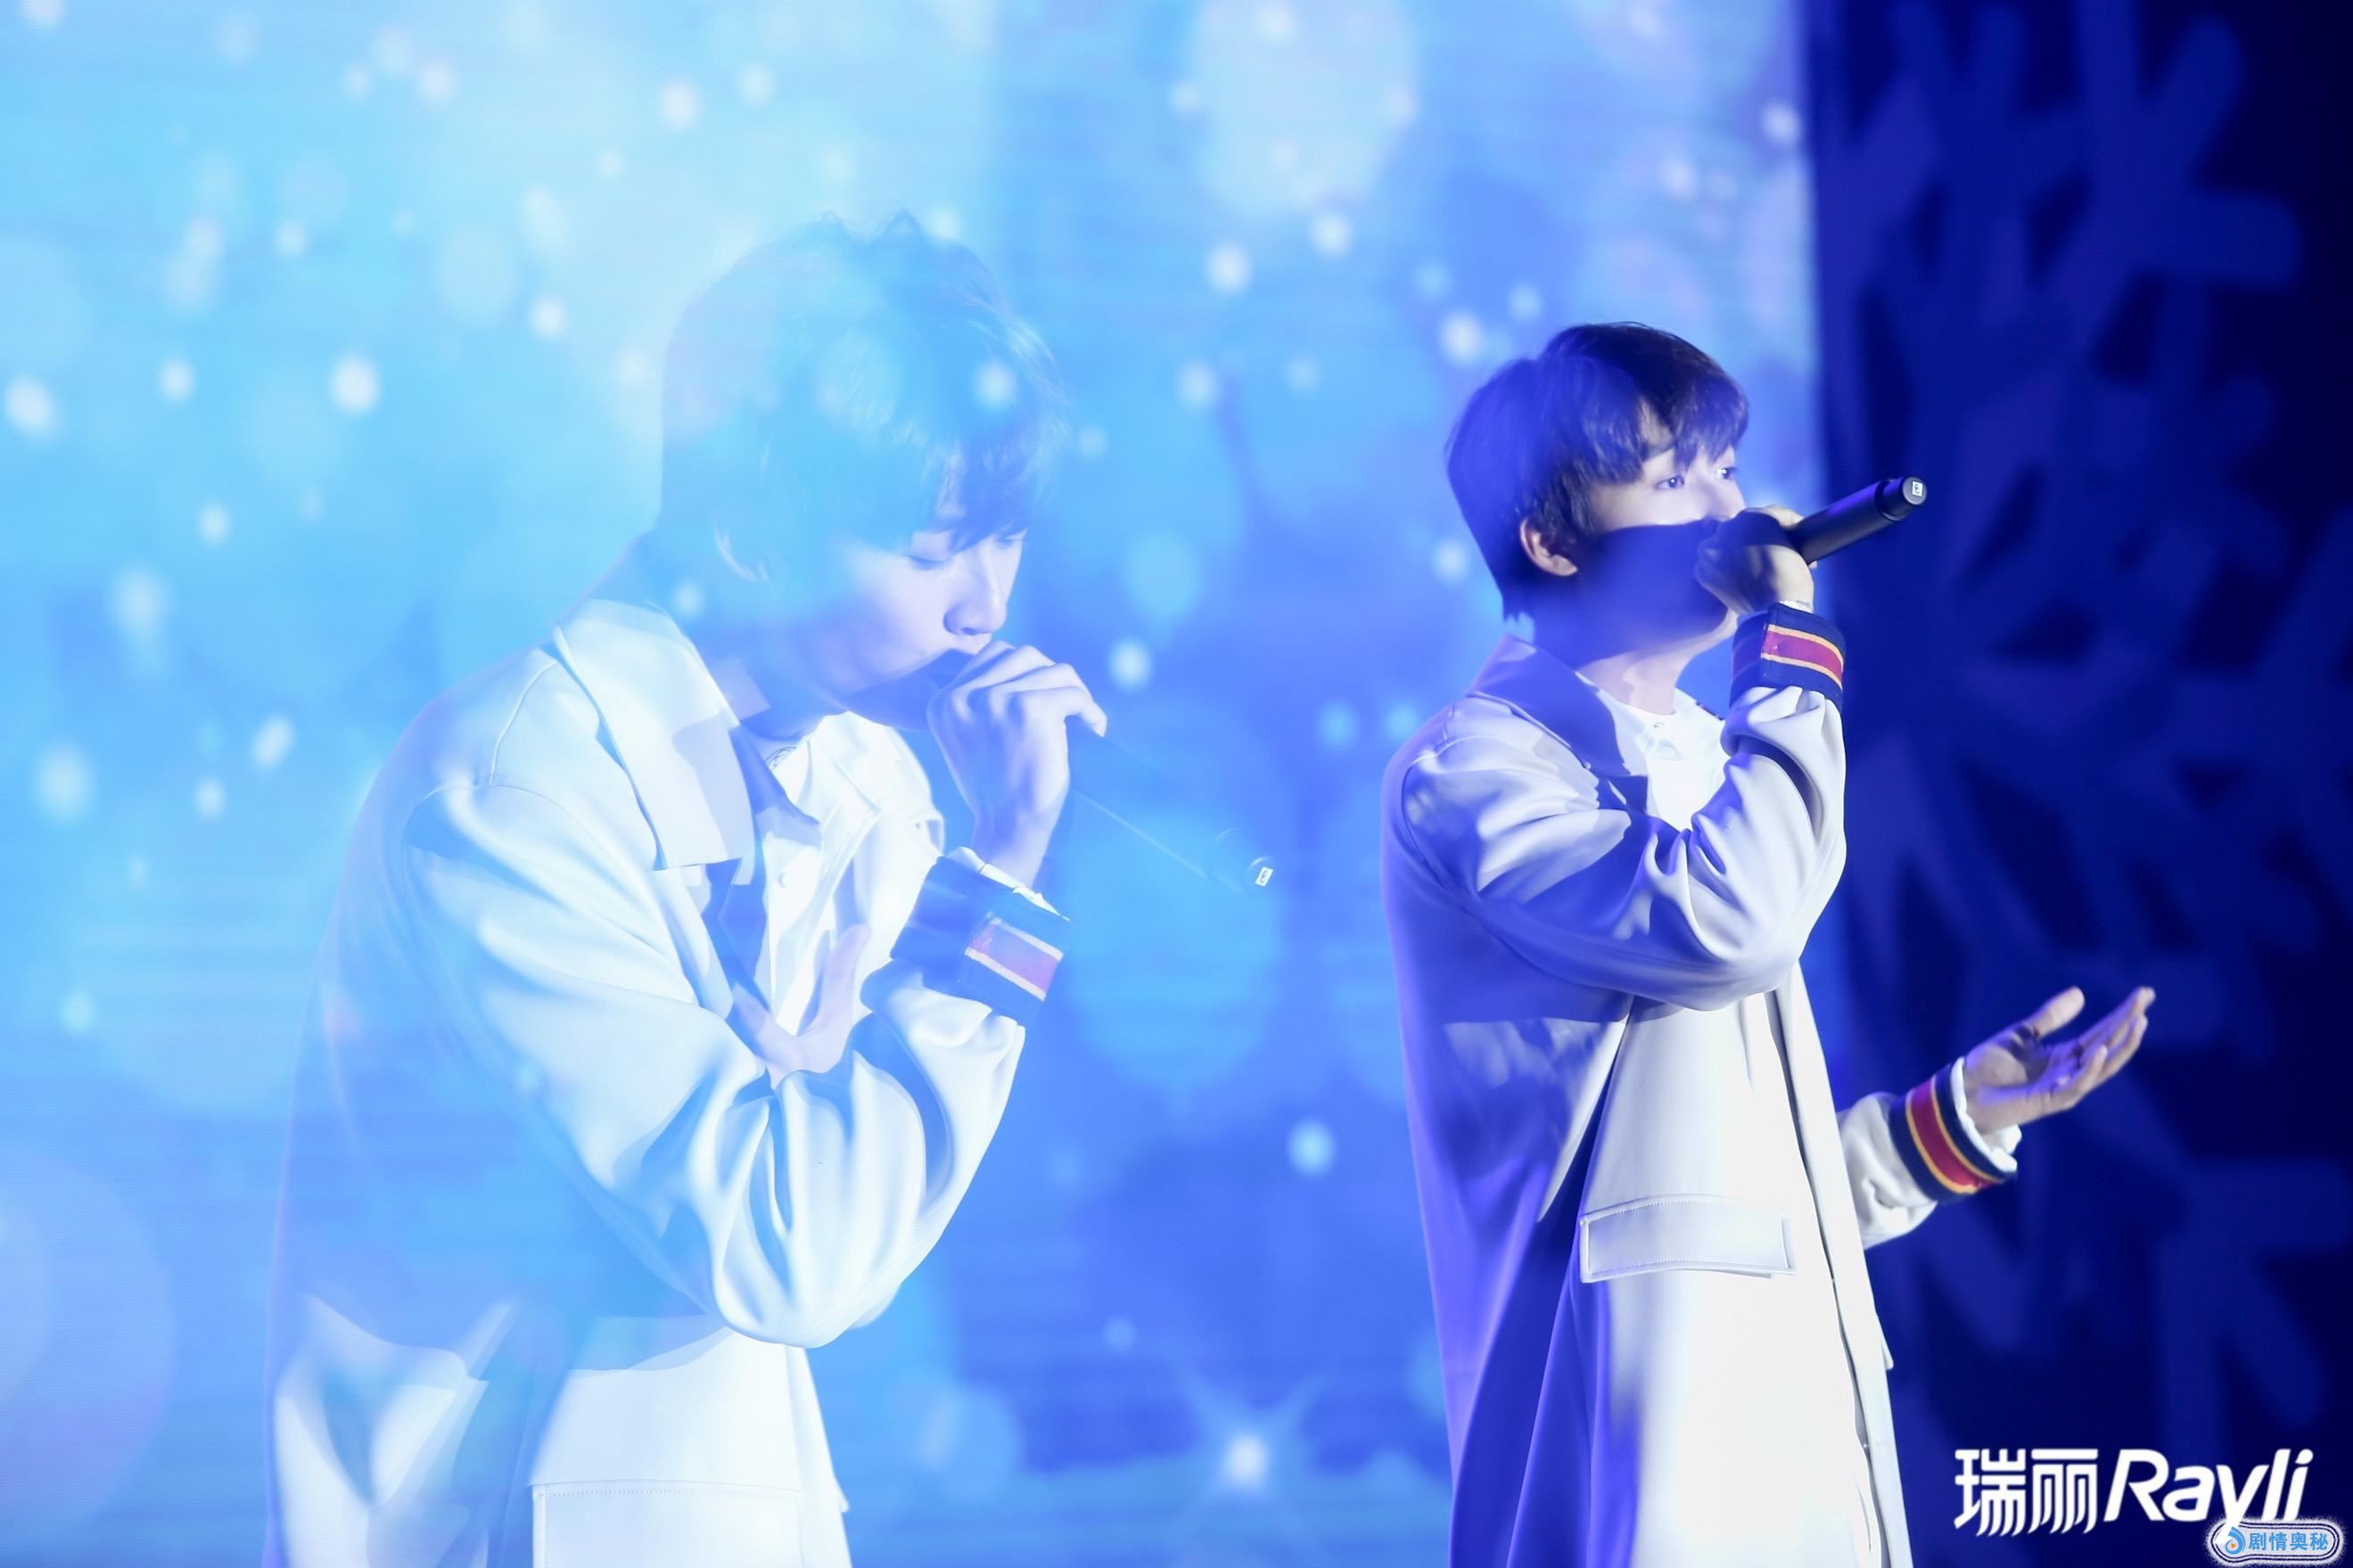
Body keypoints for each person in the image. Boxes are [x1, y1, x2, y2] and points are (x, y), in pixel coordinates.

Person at [262, 213, 1101, 1568]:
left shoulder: (875, 786)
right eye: (933, 550)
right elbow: (792, 1249)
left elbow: (860, 1225)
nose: (984, 610)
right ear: (753, 533)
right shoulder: (510, 793)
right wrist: (1000, 879)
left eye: (1002, 542)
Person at [1378, 322, 2152, 1567]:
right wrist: (1786, 648)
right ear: (1553, 541)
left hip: (1789, 1454)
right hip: (1643, 1467)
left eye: (1727, 469)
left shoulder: (1708, 753)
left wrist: (1941, 1127)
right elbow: (1731, 923)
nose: (1731, 511)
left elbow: (1722, 1188)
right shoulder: (1475, 772)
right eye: (1674, 478)